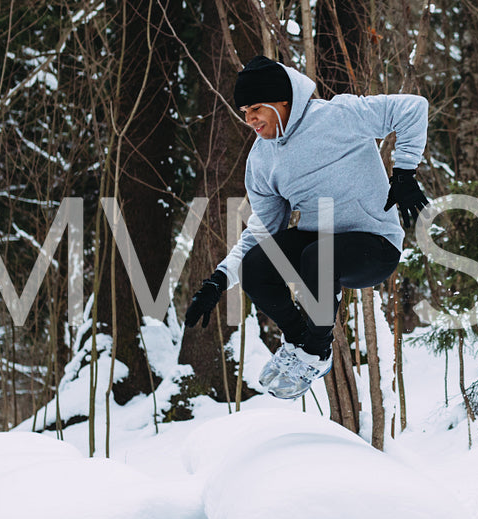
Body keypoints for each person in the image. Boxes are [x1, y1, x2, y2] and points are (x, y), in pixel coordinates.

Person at [183, 55, 431, 399]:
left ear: (282, 101)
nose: (250, 118)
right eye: (244, 112)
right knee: (257, 263)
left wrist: (404, 172)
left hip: (374, 245)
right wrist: (218, 280)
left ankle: (316, 351)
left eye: (256, 107)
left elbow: (412, 109)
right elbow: (262, 230)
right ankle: (300, 340)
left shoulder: (337, 115)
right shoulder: (261, 158)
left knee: (318, 256)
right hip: (318, 241)